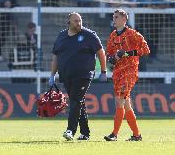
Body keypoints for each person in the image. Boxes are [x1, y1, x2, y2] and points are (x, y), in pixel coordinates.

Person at [49, 12, 107, 141]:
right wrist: (52, 75)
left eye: (80, 20)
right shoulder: (61, 36)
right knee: (78, 102)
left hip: (83, 75)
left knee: (75, 100)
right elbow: (55, 57)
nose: (79, 23)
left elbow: (101, 52)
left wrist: (103, 71)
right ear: (68, 22)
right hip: (66, 75)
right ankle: (85, 133)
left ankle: (70, 130)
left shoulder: (89, 35)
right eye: (75, 21)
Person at [104, 9, 150, 142]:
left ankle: (114, 134)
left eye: (117, 17)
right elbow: (109, 53)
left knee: (119, 101)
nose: (114, 19)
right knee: (126, 104)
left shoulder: (132, 34)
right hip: (118, 72)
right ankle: (137, 135)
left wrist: (127, 54)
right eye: (113, 17)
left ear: (124, 19)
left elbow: (146, 49)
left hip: (129, 71)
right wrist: (112, 58)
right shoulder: (113, 35)